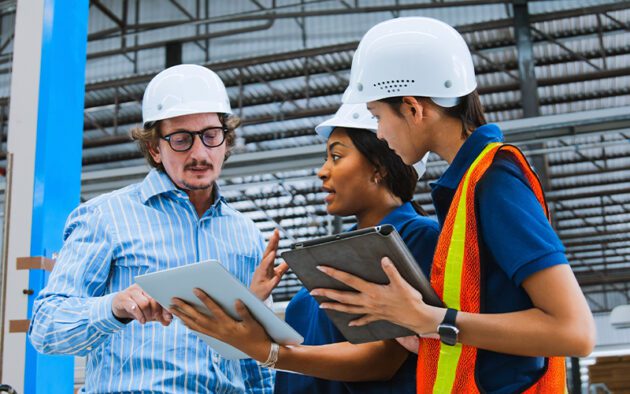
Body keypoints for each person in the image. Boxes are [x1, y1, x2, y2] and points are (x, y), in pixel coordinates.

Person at [304, 17, 596, 393]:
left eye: (378, 117)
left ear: (412, 108)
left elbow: (574, 331)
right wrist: (419, 329)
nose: (378, 132)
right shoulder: (466, 188)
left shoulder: (494, 181)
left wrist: (429, 319)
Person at [29, 64, 274, 393]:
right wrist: (114, 305)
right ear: (155, 149)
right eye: (181, 140)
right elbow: (46, 327)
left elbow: (253, 354)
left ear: (226, 140)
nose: (200, 153)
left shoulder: (246, 235)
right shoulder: (105, 217)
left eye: (211, 136)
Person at [169, 103, 440, 393]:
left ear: (380, 169)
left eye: (336, 156)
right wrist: (251, 308)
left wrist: (270, 352)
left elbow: (385, 358)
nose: (323, 171)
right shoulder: (333, 253)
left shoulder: (417, 236)